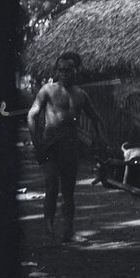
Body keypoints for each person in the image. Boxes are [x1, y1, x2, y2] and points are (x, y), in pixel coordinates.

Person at [26, 51, 109, 243]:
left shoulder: (81, 94)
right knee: (52, 186)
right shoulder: (47, 90)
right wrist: (36, 142)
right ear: (57, 71)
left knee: (69, 192)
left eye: (68, 70)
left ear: (75, 71)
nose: (64, 73)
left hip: (71, 148)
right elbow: (32, 115)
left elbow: (96, 118)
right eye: (61, 70)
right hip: (50, 147)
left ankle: (68, 232)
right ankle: (49, 231)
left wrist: (101, 140)